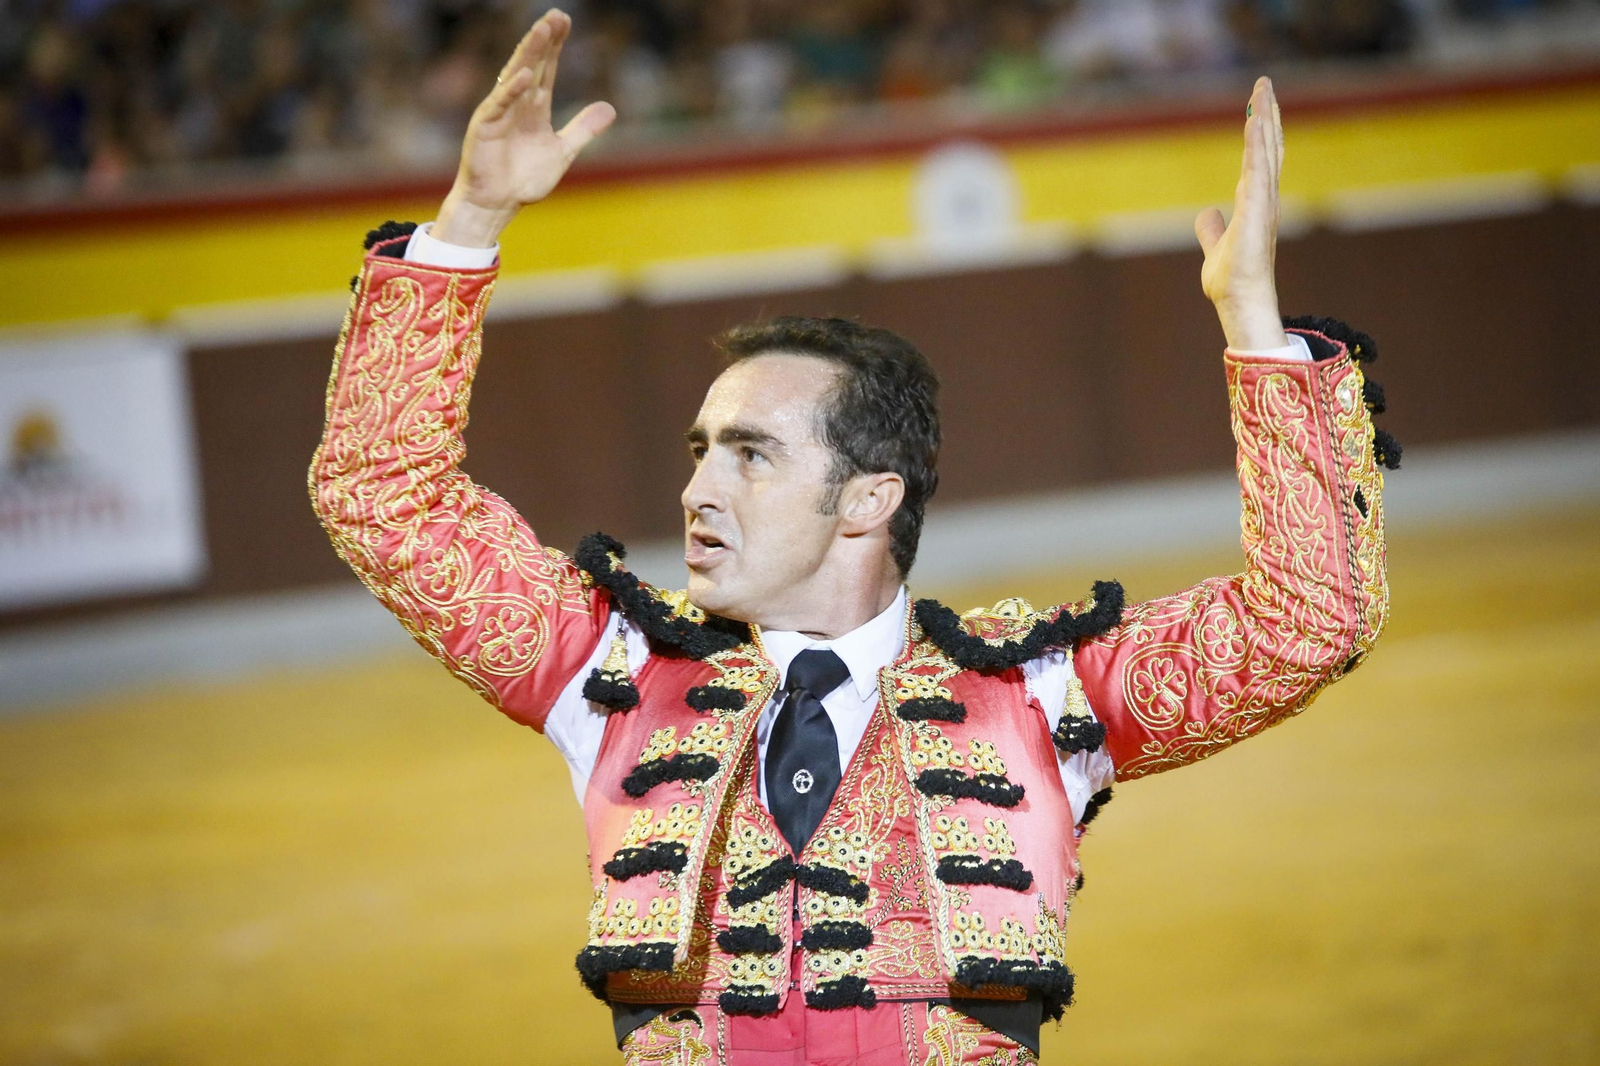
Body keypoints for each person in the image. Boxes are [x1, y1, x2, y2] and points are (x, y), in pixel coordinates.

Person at [310, 9, 1397, 1063]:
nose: (700, 487)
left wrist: (1255, 330)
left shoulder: (1043, 696)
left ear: (868, 499)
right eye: (700, 450)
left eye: (751, 453)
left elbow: (1308, 619)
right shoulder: (610, 674)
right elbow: (381, 491)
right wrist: (467, 223)